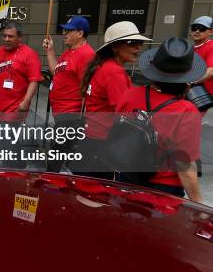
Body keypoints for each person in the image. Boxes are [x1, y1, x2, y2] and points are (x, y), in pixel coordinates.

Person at [116, 37, 204, 202]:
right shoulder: (186, 110)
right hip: (164, 189)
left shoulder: (129, 95)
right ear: (187, 78)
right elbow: (184, 166)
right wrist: (200, 206)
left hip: (127, 179)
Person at [79, 21, 151, 179]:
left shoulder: (103, 67)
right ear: (115, 46)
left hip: (92, 141)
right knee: (99, 199)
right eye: (132, 43)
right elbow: (126, 114)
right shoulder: (114, 72)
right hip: (103, 144)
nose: (138, 48)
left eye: (140, 43)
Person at [42, 15, 95, 172]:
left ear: (80, 33)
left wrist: (83, 119)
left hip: (71, 115)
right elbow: (56, 72)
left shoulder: (86, 54)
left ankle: (50, 184)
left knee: (56, 154)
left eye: (69, 30)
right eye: (65, 30)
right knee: (59, 153)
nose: (64, 33)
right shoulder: (70, 52)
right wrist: (50, 51)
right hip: (62, 113)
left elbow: (88, 88)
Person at [0, 21, 42, 123]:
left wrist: (26, 101)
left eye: (10, 36)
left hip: (15, 109)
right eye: (4, 36)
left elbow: (34, 80)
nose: (6, 39)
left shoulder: (30, 54)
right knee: (3, 137)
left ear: (20, 37)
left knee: (7, 137)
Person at [190, 16, 213, 94]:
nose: (197, 31)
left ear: (211, 32)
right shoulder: (189, 48)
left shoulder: (211, 47)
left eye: (202, 28)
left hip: (207, 98)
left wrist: (191, 82)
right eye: (194, 28)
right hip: (191, 94)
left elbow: (211, 71)